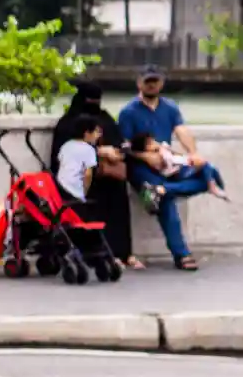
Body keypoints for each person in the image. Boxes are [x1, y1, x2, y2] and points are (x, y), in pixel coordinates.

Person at [119, 67, 212, 271]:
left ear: (161, 83)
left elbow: (181, 130)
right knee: (166, 202)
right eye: (147, 81)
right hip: (141, 169)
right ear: (139, 83)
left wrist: (193, 154)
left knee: (207, 173)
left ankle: (162, 190)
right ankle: (182, 253)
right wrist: (147, 157)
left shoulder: (170, 107)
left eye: (155, 81)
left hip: (168, 164)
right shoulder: (128, 112)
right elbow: (124, 147)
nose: (152, 84)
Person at [50, 86, 139, 269]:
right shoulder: (68, 123)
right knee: (92, 198)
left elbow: (119, 142)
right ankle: (103, 253)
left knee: (117, 194)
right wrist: (99, 152)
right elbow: (63, 154)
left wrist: (115, 152)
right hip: (81, 178)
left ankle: (123, 252)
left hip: (107, 174)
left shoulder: (105, 119)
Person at [55, 114, 102, 203]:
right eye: (96, 131)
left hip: (60, 189)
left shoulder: (66, 145)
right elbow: (88, 174)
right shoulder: (89, 149)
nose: (98, 135)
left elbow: (61, 164)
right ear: (87, 133)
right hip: (75, 193)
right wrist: (84, 193)